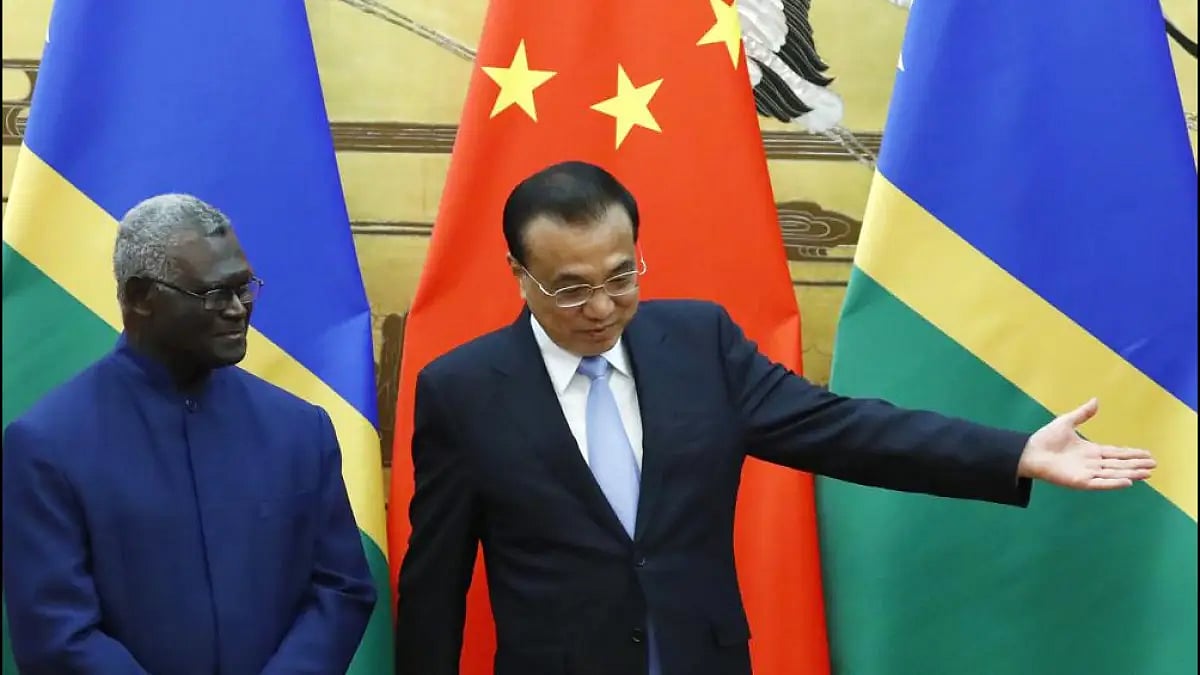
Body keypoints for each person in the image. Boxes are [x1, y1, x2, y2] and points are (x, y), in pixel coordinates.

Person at [392, 160, 1157, 675]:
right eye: (569, 288)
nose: (600, 307)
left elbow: (847, 429)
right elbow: (436, 581)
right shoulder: (464, 390)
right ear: (518, 276)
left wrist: (1015, 451)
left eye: (622, 277)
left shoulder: (699, 343)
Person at [2, 194, 377, 674]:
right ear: (141, 297)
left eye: (244, 288)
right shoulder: (47, 445)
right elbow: (54, 630)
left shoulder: (301, 430)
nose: (238, 310)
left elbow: (341, 587)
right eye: (214, 294)